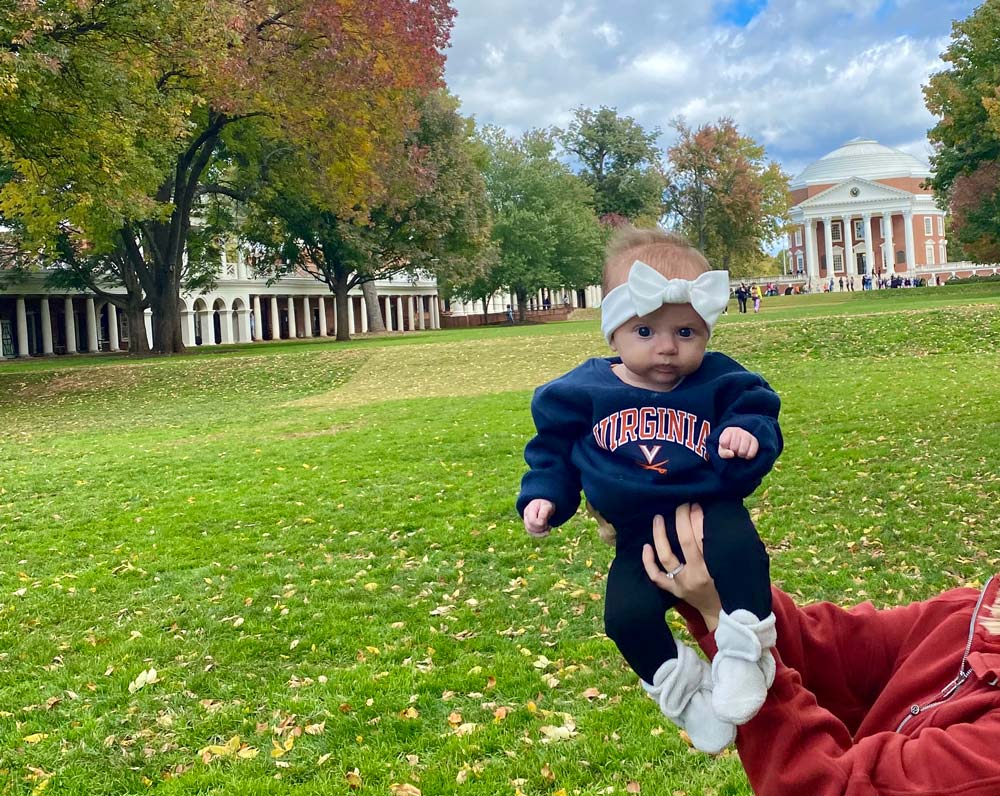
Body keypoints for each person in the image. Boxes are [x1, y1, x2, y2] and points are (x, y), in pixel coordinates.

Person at [517, 228, 782, 754]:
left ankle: (743, 651)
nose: (666, 347)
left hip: (709, 507)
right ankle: (685, 693)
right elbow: (552, 451)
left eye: (686, 332)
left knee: (741, 557)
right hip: (636, 533)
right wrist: (544, 495)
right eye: (645, 331)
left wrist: (745, 435)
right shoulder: (581, 393)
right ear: (613, 333)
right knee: (625, 617)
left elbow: (759, 414)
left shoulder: (721, 380)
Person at [641, 503, 1000, 792]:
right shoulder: (976, 617)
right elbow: (836, 649)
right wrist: (722, 580)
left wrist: (729, 628)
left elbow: (837, 787)